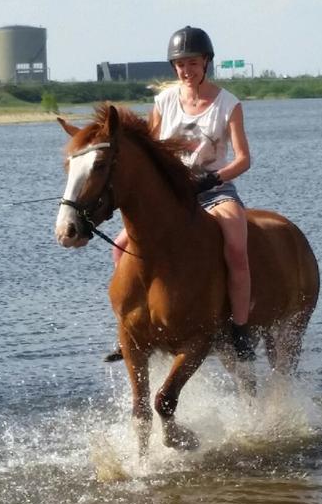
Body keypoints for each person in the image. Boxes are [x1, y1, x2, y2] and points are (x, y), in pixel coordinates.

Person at [105, 25, 256, 362]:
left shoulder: (228, 104)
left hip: (214, 191)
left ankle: (239, 329)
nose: (187, 71)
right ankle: (131, 327)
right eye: (181, 64)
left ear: (206, 63)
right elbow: (148, 149)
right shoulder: (164, 102)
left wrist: (210, 180)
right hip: (171, 196)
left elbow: (244, 159)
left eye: (193, 63)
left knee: (236, 248)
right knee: (119, 247)